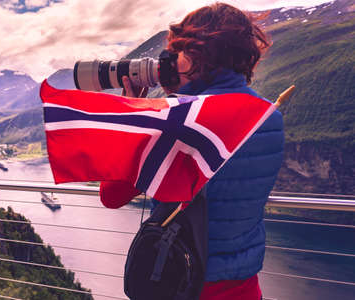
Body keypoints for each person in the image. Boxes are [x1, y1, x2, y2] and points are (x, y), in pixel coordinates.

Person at [102, 3, 284, 300]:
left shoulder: (179, 119)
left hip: (183, 284)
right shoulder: (269, 115)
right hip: (245, 288)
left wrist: (133, 115)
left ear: (198, 55)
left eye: (179, 51)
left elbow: (111, 194)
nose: (171, 61)